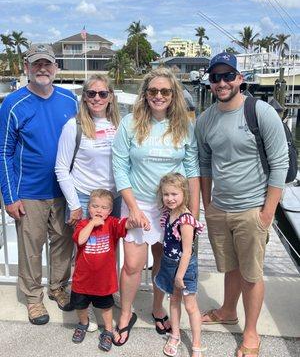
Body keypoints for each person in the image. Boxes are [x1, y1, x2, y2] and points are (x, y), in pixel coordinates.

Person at [195, 52, 289, 357]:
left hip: (252, 208)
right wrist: (207, 206)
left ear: (240, 78)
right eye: (215, 77)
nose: (221, 82)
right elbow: (205, 164)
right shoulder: (206, 119)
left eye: (227, 76)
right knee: (230, 267)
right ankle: (227, 310)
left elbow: (279, 163)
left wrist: (267, 212)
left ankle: (250, 332)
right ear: (210, 83)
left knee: (251, 273)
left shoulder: (260, 112)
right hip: (220, 208)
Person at [112, 67, 200, 345]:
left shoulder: (184, 125)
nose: (159, 96)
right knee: (133, 265)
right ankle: (125, 315)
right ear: (145, 94)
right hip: (136, 204)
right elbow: (120, 167)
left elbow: (192, 168)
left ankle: (157, 307)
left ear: (173, 95)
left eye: (165, 91)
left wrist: (192, 215)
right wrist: (133, 209)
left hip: (172, 209)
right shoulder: (129, 123)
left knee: (165, 263)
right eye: (153, 91)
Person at [0, 44, 78, 325]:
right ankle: (33, 298)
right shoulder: (13, 104)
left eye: (47, 64)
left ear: (56, 68)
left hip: (63, 191)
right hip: (29, 192)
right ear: (26, 67)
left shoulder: (70, 100)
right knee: (31, 249)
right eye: (36, 64)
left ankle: (58, 287)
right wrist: (9, 196)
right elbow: (4, 152)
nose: (42, 69)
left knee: (62, 244)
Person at [71, 189, 149, 351]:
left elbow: (127, 223)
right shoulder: (83, 224)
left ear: (110, 210)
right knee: (80, 306)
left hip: (104, 280)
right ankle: (83, 323)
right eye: (95, 206)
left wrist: (141, 220)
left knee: (106, 307)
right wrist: (92, 224)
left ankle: (107, 330)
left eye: (104, 207)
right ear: (89, 207)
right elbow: (80, 240)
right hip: (82, 278)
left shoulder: (112, 223)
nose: (99, 210)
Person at [55, 74, 121, 223]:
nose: (97, 98)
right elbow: (61, 168)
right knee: (86, 246)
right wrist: (74, 204)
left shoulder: (119, 126)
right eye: (91, 93)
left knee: (111, 246)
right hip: (84, 197)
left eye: (103, 94)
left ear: (110, 97)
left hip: (114, 198)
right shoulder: (73, 126)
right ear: (84, 97)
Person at [154, 173, 205, 357]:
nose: (170, 198)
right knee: (174, 301)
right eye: (166, 194)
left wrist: (179, 275)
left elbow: (187, 251)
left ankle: (196, 345)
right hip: (169, 263)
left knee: (191, 306)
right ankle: (175, 335)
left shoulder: (185, 219)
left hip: (184, 268)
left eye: (174, 194)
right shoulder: (169, 213)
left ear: (184, 193)